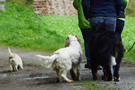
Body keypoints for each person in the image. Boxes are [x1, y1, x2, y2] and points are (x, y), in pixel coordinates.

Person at [73, 0, 91, 69]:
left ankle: (89, 61)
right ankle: (97, 62)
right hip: (93, 19)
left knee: (87, 41)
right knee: (96, 42)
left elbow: (76, 5)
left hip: (83, 21)